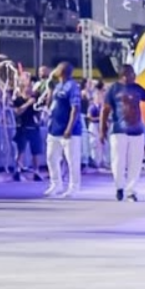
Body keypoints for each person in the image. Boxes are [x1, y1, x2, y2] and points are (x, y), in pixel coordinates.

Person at [100, 65, 145, 202]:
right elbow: (105, 110)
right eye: (131, 74)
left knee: (135, 163)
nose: (134, 76)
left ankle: (131, 191)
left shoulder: (137, 88)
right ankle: (119, 187)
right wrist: (102, 129)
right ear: (124, 75)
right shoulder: (113, 89)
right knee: (118, 161)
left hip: (137, 131)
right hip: (119, 131)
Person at [43, 63, 84, 198]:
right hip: (54, 128)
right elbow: (50, 104)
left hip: (69, 130)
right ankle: (56, 184)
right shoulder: (57, 86)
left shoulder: (72, 87)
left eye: (58, 68)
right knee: (51, 158)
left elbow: (75, 108)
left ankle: (74, 187)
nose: (54, 70)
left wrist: (69, 127)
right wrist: (50, 90)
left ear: (63, 71)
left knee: (72, 160)